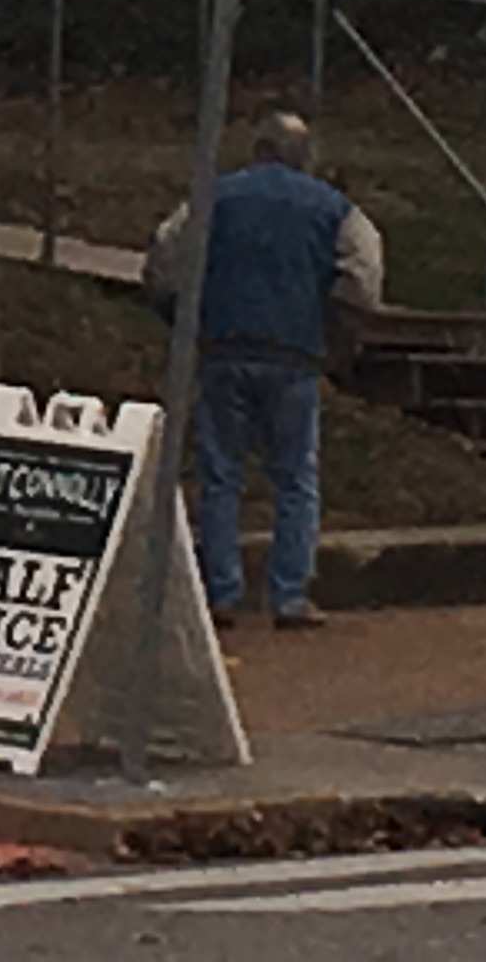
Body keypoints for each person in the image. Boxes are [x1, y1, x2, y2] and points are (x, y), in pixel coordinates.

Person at [146, 108, 385, 629]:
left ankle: (222, 592)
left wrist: (184, 316)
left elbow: (165, 256)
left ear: (257, 150)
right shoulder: (335, 208)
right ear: (306, 158)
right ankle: (289, 595)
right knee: (296, 475)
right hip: (295, 353)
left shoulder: (213, 197)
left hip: (224, 349)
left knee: (220, 473)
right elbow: (364, 275)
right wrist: (338, 331)